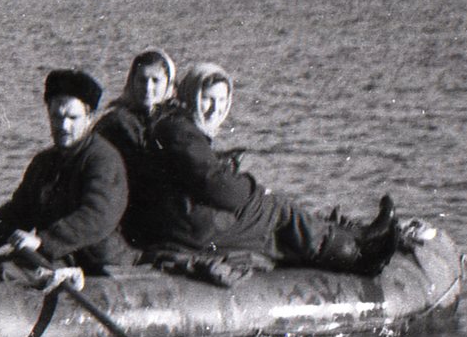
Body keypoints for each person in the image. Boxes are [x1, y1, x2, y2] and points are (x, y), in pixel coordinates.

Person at [134, 61, 400, 275]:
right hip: (189, 230)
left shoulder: (176, 127)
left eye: (222, 100)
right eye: (207, 98)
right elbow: (214, 183)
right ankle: (357, 257)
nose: (215, 108)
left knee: (273, 214)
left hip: (186, 223)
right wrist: (254, 191)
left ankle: (357, 237)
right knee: (276, 210)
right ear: (191, 95)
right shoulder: (180, 132)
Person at [0, 68, 132, 286]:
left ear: (90, 117)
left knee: (1, 275)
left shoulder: (103, 159)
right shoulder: (44, 162)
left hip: (94, 261)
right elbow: (19, 211)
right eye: (57, 116)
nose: (64, 126)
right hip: (50, 255)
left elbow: (96, 216)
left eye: (73, 118)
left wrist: (43, 241)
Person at [93, 47, 176, 246]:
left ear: (168, 85)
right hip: (131, 206)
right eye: (142, 80)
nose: (148, 88)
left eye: (155, 81)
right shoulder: (116, 121)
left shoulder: (175, 119)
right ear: (132, 82)